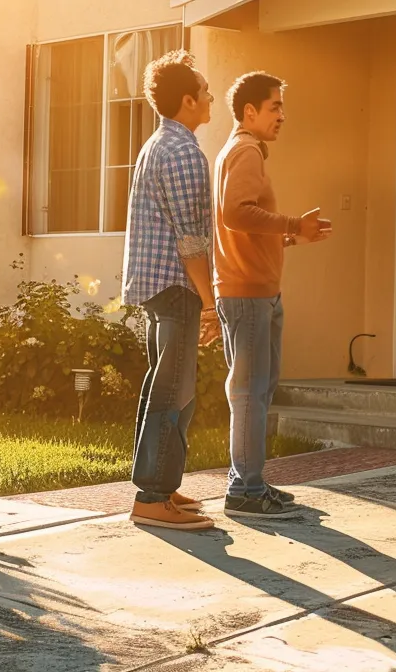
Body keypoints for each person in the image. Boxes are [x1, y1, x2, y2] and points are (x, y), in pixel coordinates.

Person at [213, 72, 331, 518]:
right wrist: (290, 224)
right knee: (248, 391)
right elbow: (234, 214)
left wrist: (294, 236)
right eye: (275, 107)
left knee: (257, 390)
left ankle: (250, 483)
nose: (283, 115)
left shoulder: (245, 151)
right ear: (250, 112)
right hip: (247, 295)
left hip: (258, 291)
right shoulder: (244, 150)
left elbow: (246, 227)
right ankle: (244, 492)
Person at [120, 51, 218, 531]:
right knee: (173, 392)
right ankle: (153, 497)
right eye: (204, 91)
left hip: (157, 286)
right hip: (177, 286)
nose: (211, 97)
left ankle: (163, 484)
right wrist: (211, 304)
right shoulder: (184, 153)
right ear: (187, 100)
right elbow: (191, 241)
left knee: (168, 386)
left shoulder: (158, 143)